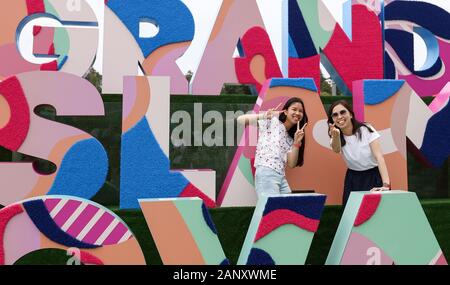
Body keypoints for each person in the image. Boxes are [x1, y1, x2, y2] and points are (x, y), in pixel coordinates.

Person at [237, 97, 308, 197]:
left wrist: (296, 143)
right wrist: (264, 115)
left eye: (301, 111)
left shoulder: (292, 138)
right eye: (294, 109)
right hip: (266, 172)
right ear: (286, 112)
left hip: (281, 176)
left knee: (287, 208)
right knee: (271, 209)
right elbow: (240, 120)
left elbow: (291, 164)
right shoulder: (272, 122)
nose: (297, 113)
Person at [327, 100, 391, 205]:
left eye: (343, 112)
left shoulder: (366, 129)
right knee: (352, 214)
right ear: (332, 120)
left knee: (376, 212)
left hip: (374, 176)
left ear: (351, 115)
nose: (339, 117)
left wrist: (386, 184)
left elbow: (379, 157)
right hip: (353, 178)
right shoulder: (336, 135)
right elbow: (336, 149)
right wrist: (336, 135)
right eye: (335, 115)